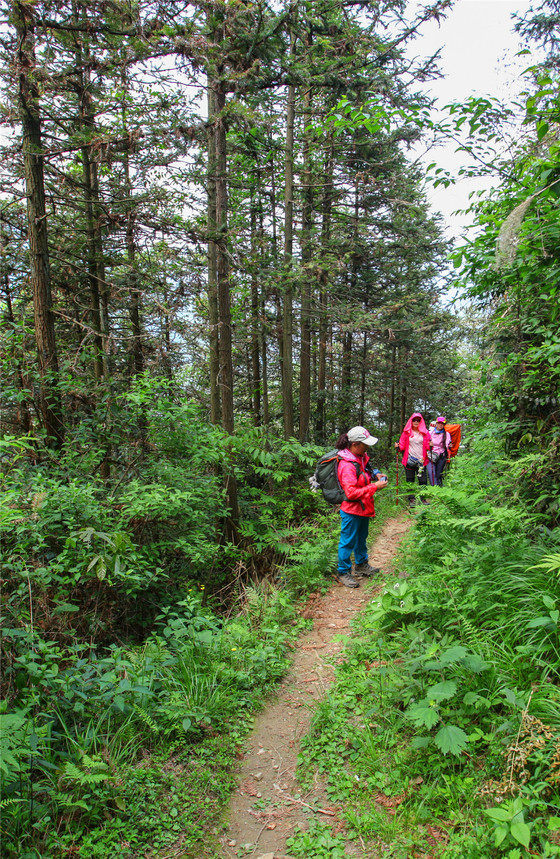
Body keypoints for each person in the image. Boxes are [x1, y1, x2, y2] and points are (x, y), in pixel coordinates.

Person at [335, 426, 388, 589]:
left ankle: (361, 564)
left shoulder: (360, 456)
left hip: (363, 507)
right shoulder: (347, 465)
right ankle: (343, 572)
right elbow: (350, 493)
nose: (367, 447)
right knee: (347, 541)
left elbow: (367, 469)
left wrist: (376, 474)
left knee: (361, 538)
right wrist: (375, 487)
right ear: (355, 444)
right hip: (351, 510)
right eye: (365, 444)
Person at [396, 412, 431, 506]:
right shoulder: (406, 432)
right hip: (409, 460)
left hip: (421, 461)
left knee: (423, 481)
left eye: (418, 420)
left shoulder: (425, 433)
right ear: (411, 421)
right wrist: (398, 447)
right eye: (414, 420)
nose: (416, 422)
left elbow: (428, 446)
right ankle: (411, 500)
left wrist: (431, 445)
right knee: (410, 480)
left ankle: (423, 499)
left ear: (421, 422)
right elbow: (402, 446)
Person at [428, 416, 452, 487]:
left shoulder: (447, 434)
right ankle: (434, 489)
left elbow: (447, 443)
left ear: (444, 424)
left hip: (441, 456)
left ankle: (439, 489)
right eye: (439, 423)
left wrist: (449, 445)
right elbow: (425, 442)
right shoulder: (431, 433)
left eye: (442, 423)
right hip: (431, 455)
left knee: (439, 474)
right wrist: (429, 444)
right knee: (431, 473)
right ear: (436, 423)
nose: (440, 425)